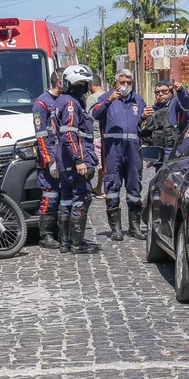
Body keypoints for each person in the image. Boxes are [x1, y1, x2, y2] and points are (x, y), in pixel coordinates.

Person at [90, 70, 148, 241]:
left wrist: (144, 117)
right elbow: (94, 114)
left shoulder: (138, 100)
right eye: (122, 82)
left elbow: (145, 127)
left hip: (133, 150)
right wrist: (109, 100)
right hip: (112, 151)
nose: (125, 86)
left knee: (134, 186)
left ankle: (134, 226)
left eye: (128, 83)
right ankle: (115, 228)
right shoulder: (106, 98)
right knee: (112, 187)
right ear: (116, 83)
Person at [52, 64, 101, 254]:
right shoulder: (71, 104)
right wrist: (79, 160)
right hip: (74, 161)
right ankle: (77, 243)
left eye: (85, 84)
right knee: (81, 198)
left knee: (66, 199)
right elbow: (69, 134)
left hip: (64, 160)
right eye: (80, 84)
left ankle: (65, 242)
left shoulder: (62, 101)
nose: (84, 87)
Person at [32, 69, 63, 250]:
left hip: (65, 156)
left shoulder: (65, 101)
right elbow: (41, 135)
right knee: (50, 196)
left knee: (64, 196)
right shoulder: (41, 103)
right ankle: (46, 235)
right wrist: (50, 159)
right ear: (59, 82)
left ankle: (62, 231)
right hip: (49, 158)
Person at [85, 74, 106, 197]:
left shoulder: (92, 98)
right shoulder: (107, 95)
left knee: (98, 164)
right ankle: (99, 187)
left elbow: (88, 117)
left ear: (91, 85)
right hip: (105, 134)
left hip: (96, 134)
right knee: (103, 163)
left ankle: (99, 188)